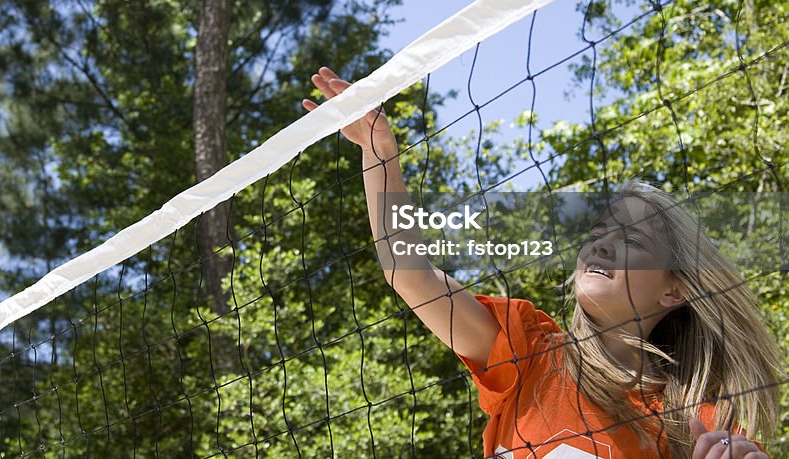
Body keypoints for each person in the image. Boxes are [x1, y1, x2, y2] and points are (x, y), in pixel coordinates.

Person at [302, 66, 782, 459]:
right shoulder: (527, 350)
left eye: (631, 239)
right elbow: (407, 271)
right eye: (597, 234)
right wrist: (379, 152)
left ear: (674, 290)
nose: (600, 245)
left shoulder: (701, 423)